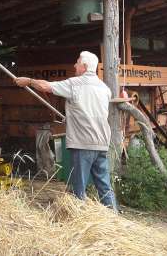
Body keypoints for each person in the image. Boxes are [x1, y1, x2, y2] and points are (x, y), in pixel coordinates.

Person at [14, 51, 117, 210]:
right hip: (102, 143)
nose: (74, 65)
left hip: (83, 143)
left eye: (77, 62)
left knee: (79, 188)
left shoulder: (75, 84)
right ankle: (113, 217)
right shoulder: (105, 89)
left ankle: (79, 219)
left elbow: (45, 86)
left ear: (84, 66)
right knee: (104, 185)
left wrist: (28, 80)